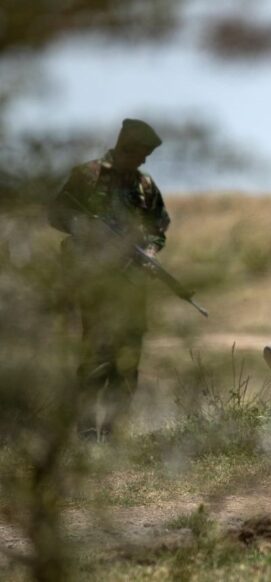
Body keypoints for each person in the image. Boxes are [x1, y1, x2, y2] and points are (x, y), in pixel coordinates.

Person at [49, 118, 169, 440]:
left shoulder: (144, 185)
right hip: (96, 280)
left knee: (128, 359)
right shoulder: (87, 176)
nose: (144, 160)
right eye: (141, 152)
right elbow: (57, 214)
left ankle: (114, 432)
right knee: (97, 356)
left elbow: (159, 226)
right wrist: (88, 230)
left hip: (131, 284)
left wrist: (151, 253)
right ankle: (87, 431)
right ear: (126, 146)